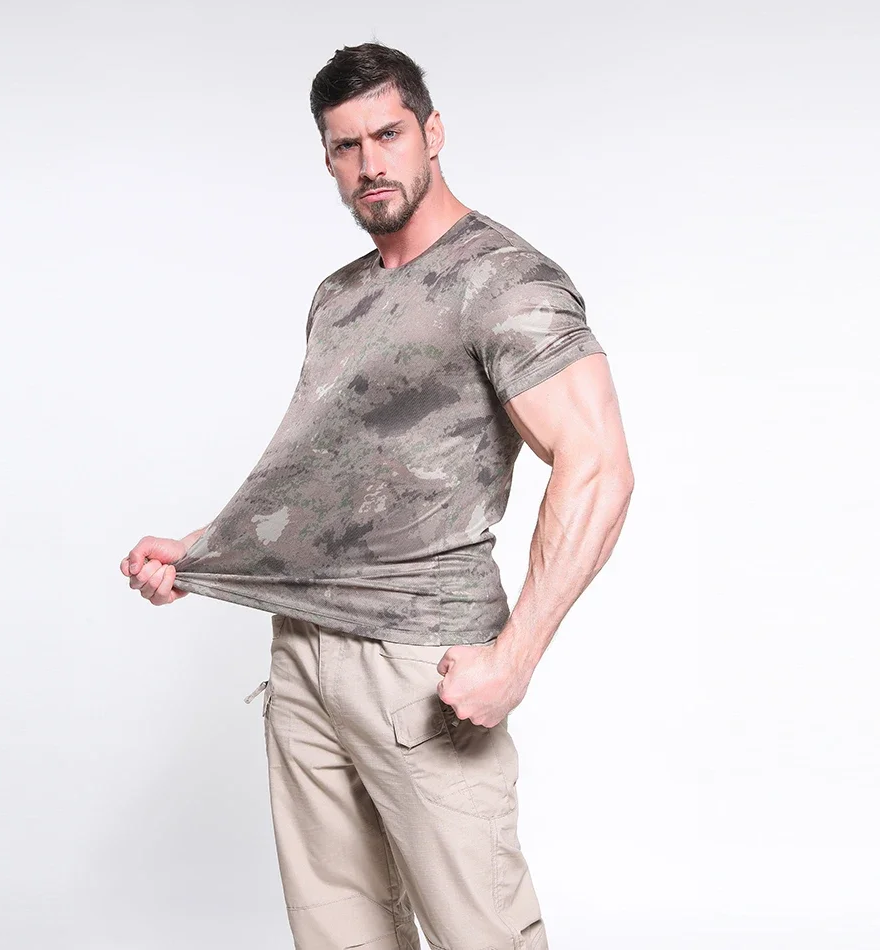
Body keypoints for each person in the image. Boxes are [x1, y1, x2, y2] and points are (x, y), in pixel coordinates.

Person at [120, 42, 633, 950]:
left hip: (420, 665)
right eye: (345, 146)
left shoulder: (506, 280)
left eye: (388, 134)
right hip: (303, 658)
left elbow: (597, 466)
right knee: (339, 935)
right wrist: (201, 553)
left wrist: (514, 659)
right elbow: (334, 479)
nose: (370, 163)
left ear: (433, 132)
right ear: (327, 159)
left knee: (482, 932)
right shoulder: (339, 296)